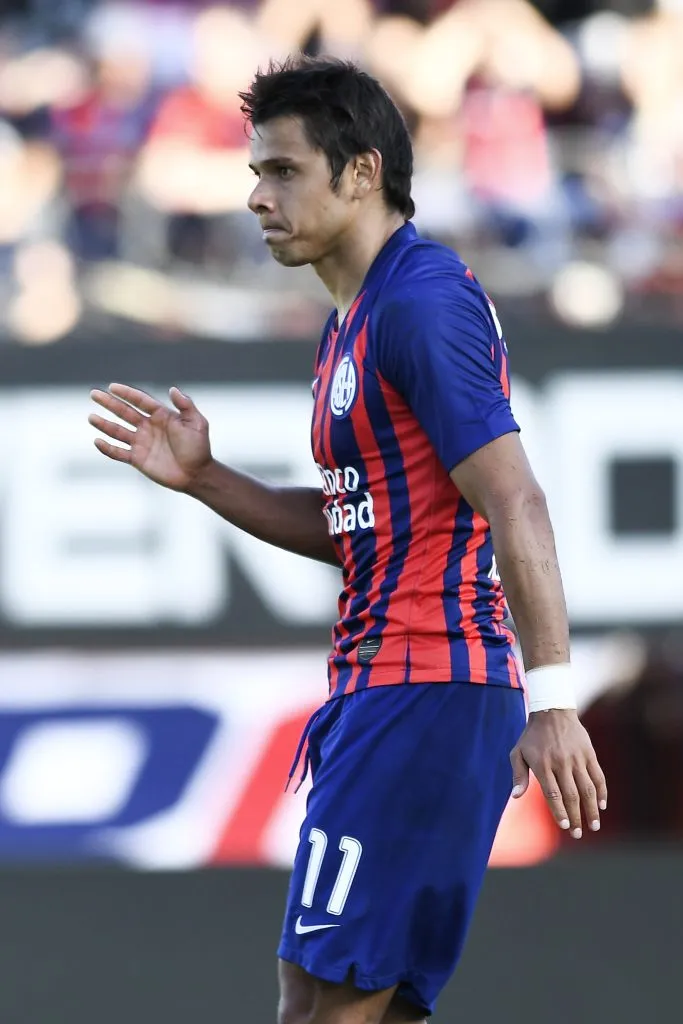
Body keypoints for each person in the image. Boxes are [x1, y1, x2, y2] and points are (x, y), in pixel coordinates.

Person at [88, 56, 607, 1024]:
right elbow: (369, 528)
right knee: (343, 1000)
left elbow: (516, 500)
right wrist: (206, 477)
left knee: (327, 1004)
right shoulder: (355, 319)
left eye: (282, 171)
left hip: (425, 687)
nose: (256, 197)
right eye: (256, 172)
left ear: (362, 172)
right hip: (395, 689)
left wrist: (554, 701)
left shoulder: (419, 301)